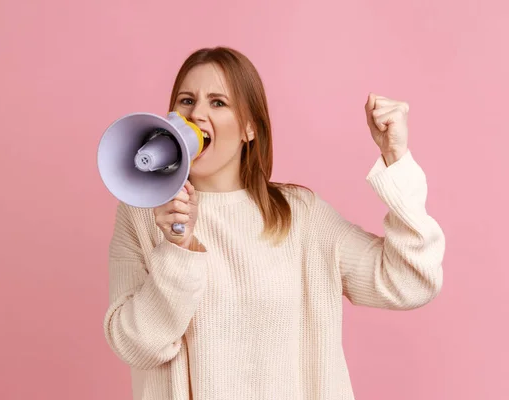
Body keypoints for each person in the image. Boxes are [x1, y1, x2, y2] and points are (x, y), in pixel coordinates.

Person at [102, 46, 445, 400]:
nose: (197, 114)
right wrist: (177, 249)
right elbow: (135, 347)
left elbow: (411, 280)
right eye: (187, 101)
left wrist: (396, 157)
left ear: (249, 127)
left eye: (218, 102)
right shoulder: (142, 216)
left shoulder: (301, 216)